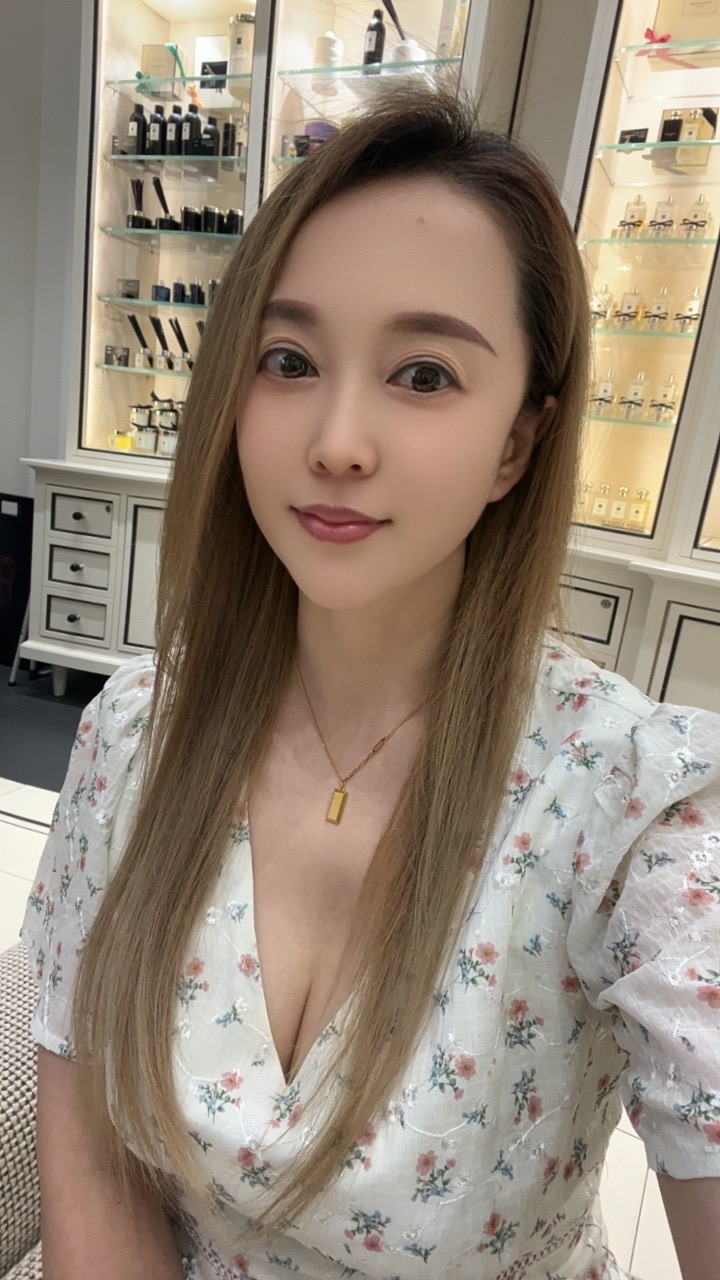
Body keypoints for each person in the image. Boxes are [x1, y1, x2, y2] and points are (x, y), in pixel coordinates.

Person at [21, 85, 720, 1280]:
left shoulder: (635, 814)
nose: (337, 441)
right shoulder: (136, 735)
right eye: (289, 360)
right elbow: (93, 1160)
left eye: (424, 375)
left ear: (518, 442)